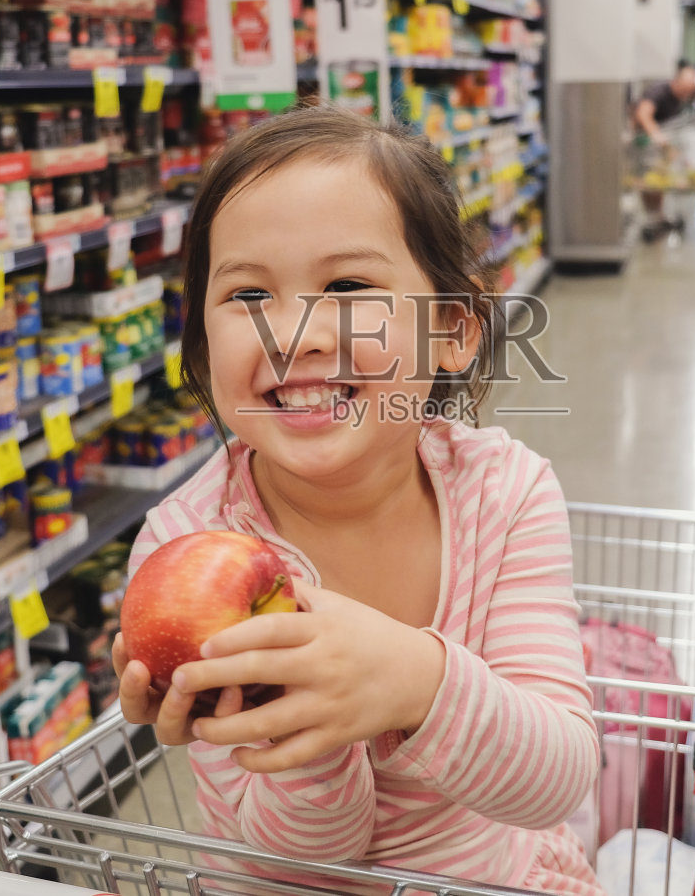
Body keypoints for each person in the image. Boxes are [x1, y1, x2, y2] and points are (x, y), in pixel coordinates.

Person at [111, 105, 603, 895]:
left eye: (346, 284)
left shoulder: (505, 495)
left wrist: (411, 680)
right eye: (246, 295)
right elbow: (291, 859)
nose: (295, 335)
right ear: (201, 345)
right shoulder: (186, 541)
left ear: (453, 329)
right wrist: (314, 722)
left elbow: (556, 780)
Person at [632, 61, 695, 240]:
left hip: (668, 138)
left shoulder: (686, 90)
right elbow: (642, 114)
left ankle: (658, 217)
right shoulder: (658, 92)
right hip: (648, 140)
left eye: (690, 90)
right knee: (651, 180)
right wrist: (656, 135)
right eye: (685, 90)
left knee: (662, 179)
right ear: (676, 82)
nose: (687, 94)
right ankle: (653, 217)